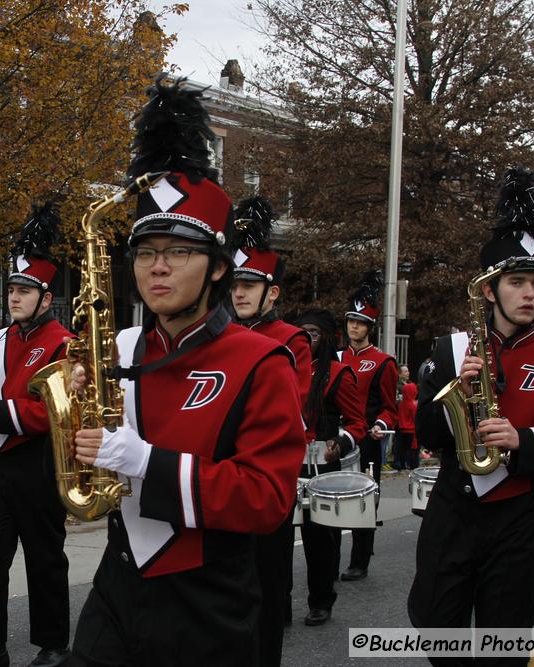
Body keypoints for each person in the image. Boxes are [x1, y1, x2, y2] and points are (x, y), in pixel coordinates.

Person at [69, 75, 306, 667]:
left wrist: (148, 462)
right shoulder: (119, 350)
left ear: (219, 270)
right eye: (147, 253)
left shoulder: (260, 361)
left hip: (209, 596)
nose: (158, 269)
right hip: (118, 579)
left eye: (179, 253)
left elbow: (268, 499)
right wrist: (73, 422)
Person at [408, 167, 534, 667]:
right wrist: (461, 393)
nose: (530, 294)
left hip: (521, 514)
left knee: (503, 645)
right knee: (436, 628)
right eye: (517, 282)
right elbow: (424, 432)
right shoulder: (450, 350)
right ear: (489, 291)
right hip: (454, 503)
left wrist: (523, 439)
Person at [0, 202, 72, 667]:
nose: (14, 297)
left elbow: (52, 414)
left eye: (25, 291)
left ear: (45, 298)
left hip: (38, 461)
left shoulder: (64, 342)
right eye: (12, 289)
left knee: (45, 558)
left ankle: (54, 645)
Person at [229, 194, 312, 662]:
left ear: (272, 291)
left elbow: (291, 411)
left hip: (263, 480)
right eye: (235, 283)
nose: (238, 293)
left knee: (263, 595)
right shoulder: (218, 334)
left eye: (250, 284)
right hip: (219, 479)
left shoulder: (290, 341)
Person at [292, 308, 367, 627]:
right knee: (273, 541)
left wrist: (342, 442)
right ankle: (276, 605)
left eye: (314, 333)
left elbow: (357, 422)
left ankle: (321, 601)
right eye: (303, 332)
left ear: (326, 339)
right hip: (285, 463)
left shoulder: (338, 374)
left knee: (320, 541)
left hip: (322, 465)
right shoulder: (283, 369)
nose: (308, 338)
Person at [339, 270, 398, 581]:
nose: (354, 326)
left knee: (364, 501)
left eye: (359, 322)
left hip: (367, 440)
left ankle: (360, 560)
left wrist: (379, 423)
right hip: (338, 438)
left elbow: (391, 408)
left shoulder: (383, 362)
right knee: (330, 497)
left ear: (369, 327)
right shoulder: (335, 358)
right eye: (351, 320)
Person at [395, 370, 418, 470]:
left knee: (402, 449)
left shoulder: (401, 404)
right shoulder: (413, 405)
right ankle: (412, 465)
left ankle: (402, 464)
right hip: (411, 430)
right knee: (412, 449)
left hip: (401, 429)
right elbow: (415, 418)